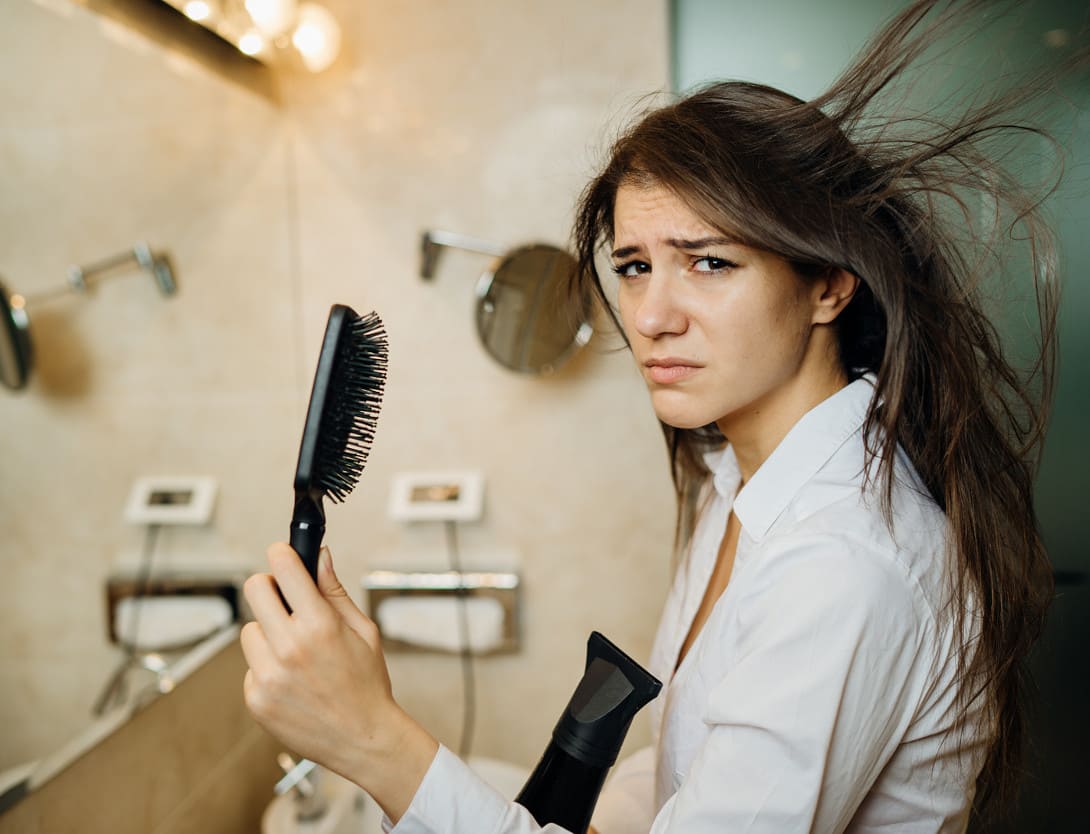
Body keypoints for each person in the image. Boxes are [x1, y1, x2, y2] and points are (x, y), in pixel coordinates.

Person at [239, 1, 1073, 831]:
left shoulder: (845, 564)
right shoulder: (733, 481)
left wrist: (374, 741)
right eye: (634, 266)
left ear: (829, 283)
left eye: (710, 262)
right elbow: (692, 761)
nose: (650, 315)